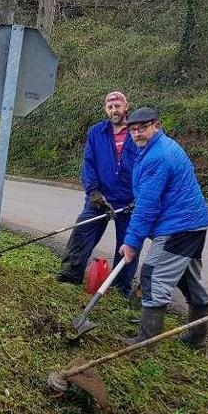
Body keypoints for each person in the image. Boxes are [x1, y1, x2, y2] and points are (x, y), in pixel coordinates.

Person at [118, 107, 208, 347]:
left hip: (178, 227)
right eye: (133, 130)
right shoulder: (160, 147)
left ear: (156, 126)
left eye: (143, 128)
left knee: (152, 275)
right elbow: (151, 194)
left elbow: (148, 206)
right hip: (193, 224)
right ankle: (195, 339)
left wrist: (131, 242)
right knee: (187, 278)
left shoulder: (157, 155)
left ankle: (146, 340)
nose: (137, 134)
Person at [57, 91, 139, 296]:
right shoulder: (96, 132)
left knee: (128, 244)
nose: (114, 110)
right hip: (100, 197)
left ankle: (121, 288)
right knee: (82, 232)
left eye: (118, 106)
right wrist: (93, 192)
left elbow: (146, 166)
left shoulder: (137, 132)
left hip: (129, 200)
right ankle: (70, 275)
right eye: (110, 107)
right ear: (105, 109)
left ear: (126, 106)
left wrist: (141, 197)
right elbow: (89, 163)